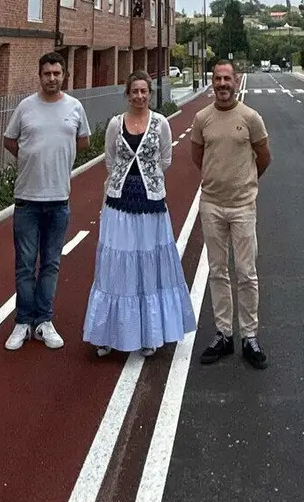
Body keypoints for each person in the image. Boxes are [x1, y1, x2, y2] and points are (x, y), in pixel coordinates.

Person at [84, 71, 195, 357]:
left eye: (144, 91)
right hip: (119, 202)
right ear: (128, 94)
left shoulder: (160, 123)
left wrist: (148, 178)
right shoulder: (115, 124)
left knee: (148, 265)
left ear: (150, 93)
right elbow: (110, 159)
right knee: (116, 265)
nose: (140, 96)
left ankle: (149, 333)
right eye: (135, 91)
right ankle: (107, 333)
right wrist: (125, 180)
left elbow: (165, 159)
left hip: (151, 204)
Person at [2, 52, 91, 351]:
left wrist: (58, 162)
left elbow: (83, 141)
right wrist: (31, 160)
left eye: (57, 73)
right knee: (25, 265)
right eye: (46, 73)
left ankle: (44, 321)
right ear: (39, 75)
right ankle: (23, 322)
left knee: (51, 264)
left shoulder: (75, 107)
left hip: (58, 200)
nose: (52, 78)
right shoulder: (26, 107)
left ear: (63, 75)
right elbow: (10, 140)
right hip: (27, 199)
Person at [189, 60, 273, 370]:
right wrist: (218, 180)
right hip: (211, 204)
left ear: (235, 81)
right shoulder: (202, 118)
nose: (222, 83)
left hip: (242, 206)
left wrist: (245, 184)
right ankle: (224, 333)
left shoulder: (250, 118)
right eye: (217, 78)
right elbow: (198, 157)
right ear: (212, 83)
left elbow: (264, 158)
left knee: (247, 273)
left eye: (227, 78)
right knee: (218, 271)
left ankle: (249, 335)